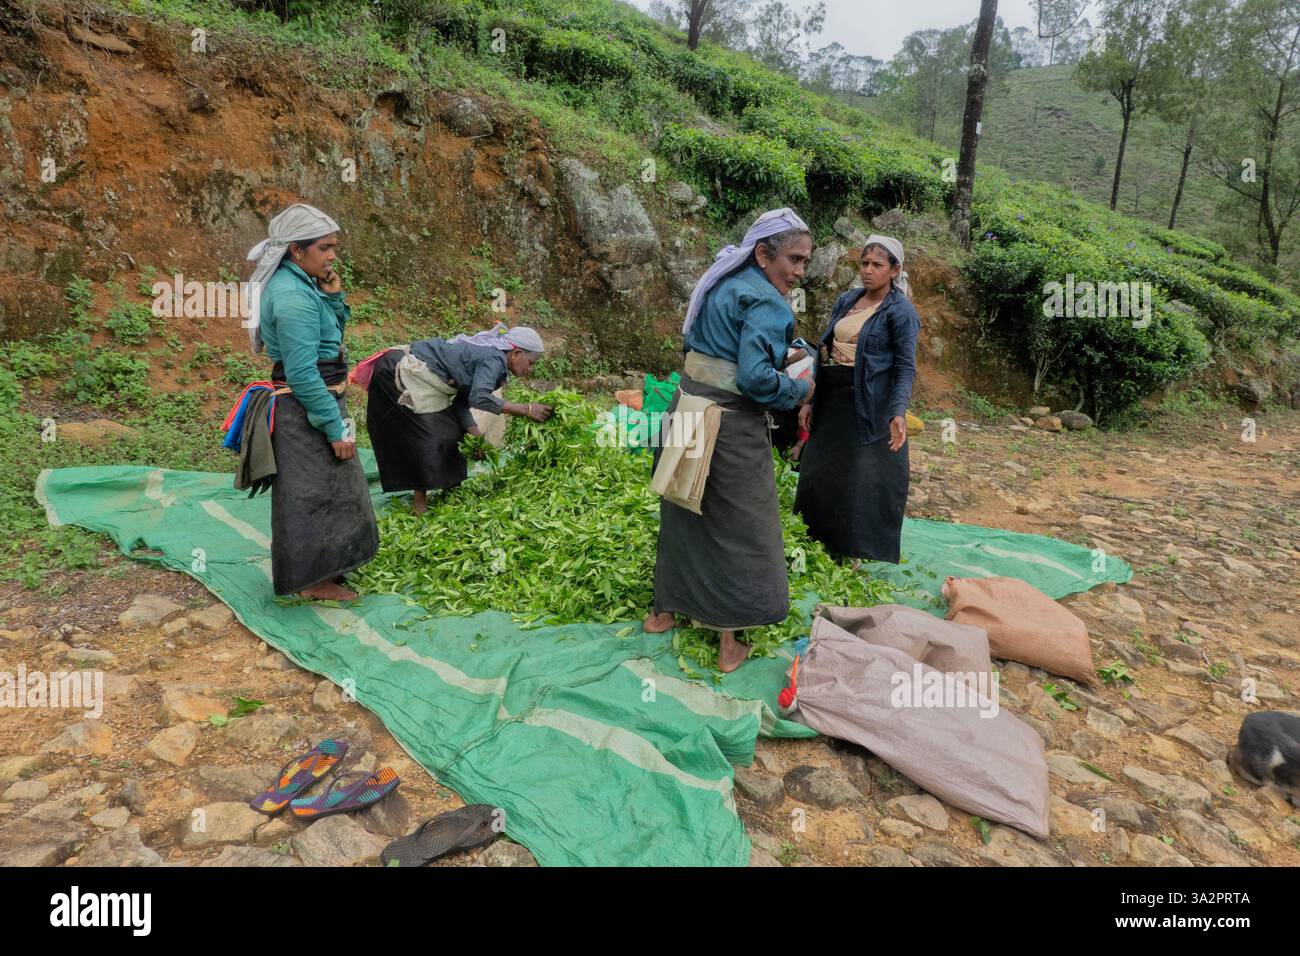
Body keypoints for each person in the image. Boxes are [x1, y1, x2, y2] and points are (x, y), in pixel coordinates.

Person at [643, 208, 815, 673]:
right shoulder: (768, 303)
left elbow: (697, 348)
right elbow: (758, 382)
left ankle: (662, 613)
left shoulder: (719, 282)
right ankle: (728, 641)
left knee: (683, 512)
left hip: (687, 409)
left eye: (805, 263)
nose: (799, 272)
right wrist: (801, 388)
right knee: (744, 530)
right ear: (763, 253)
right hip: (729, 427)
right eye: (794, 260)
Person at [247, 203, 379, 601]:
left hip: (321, 401)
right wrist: (333, 425)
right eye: (324, 248)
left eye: (334, 247)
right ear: (296, 251)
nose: (333, 255)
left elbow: (329, 337)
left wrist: (334, 299)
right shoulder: (291, 298)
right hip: (304, 408)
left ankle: (330, 569)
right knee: (310, 494)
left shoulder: (307, 285)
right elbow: (303, 372)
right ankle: (312, 581)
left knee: (340, 486)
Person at [794, 235, 919, 566]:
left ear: (894, 271)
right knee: (819, 471)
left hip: (868, 402)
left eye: (877, 265)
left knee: (859, 478)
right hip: (832, 398)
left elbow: (905, 367)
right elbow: (825, 352)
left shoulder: (900, 312)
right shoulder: (847, 300)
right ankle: (814, 538)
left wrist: (897, 412)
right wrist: (810, 399)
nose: (868, 270)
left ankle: (852, 552)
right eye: (864, 263)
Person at [360, 323, 553, 514]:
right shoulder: (494, 359)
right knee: (427, 435)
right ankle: (419, 504)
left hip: (417, 380)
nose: (531, 368)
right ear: (516, 353)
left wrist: (477, 438)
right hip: (395, 372)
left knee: (452, 430)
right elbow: (480, 398)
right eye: (531, 362)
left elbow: (461, 405)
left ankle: (451, 489)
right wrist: (526, 409)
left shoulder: (496, 366)